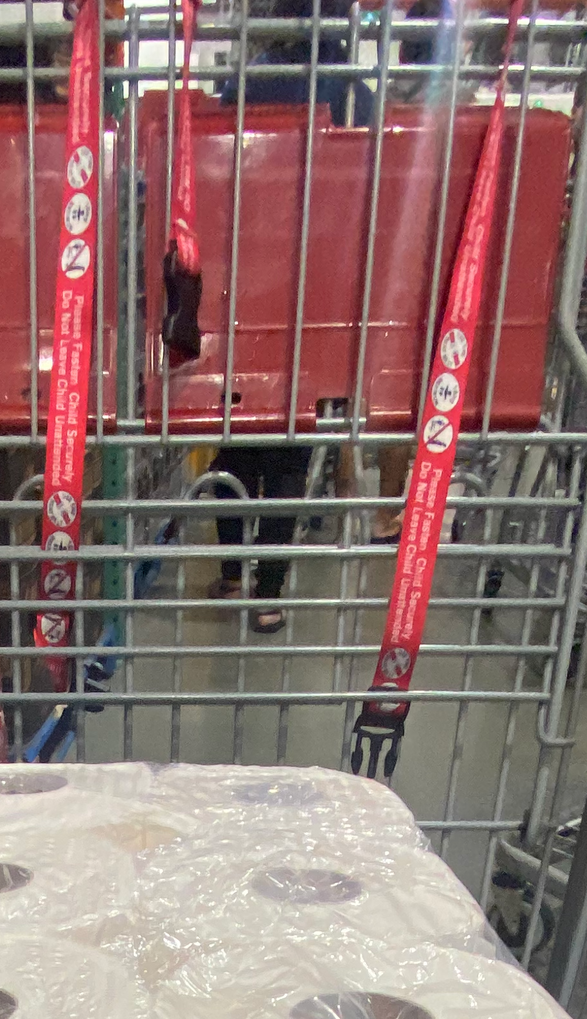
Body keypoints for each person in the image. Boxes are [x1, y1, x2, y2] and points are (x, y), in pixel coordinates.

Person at [208, 0, 361, 631]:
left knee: (232, 438)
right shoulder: (353, 91)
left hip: (243, 284)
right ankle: (267, 593)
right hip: (320, 291)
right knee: (290, 457)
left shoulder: (246, 83)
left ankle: (232, 570)